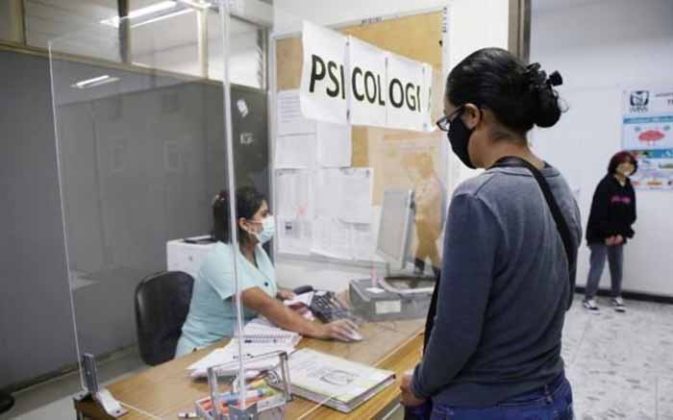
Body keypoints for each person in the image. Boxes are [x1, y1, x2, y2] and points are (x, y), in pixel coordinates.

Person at [399, 48, 582, 419]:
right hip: (552, 394)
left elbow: (456, 332)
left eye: (449, 120)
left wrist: (418, 385)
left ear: (472, 115)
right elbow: (561, 297)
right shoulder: (558, 184)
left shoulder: (478, 197)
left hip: (486, 406)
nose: (450, 133)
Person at [175, 187, 359, 357]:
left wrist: (277, 291)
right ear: (245, 224)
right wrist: (320, 330)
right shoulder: (220, 259)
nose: (270, 219)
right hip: (205, 350)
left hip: (239, 343)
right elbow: (265, 305)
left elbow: (259, 282)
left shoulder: (256, 249)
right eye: (264, 214)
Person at [583, 151, 637, 313]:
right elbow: (599, 213)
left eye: (630, 164)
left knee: (617, 267)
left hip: (619, 235)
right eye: (623, 163)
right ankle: (589, 298)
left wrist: (621, 234)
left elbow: (630, 214)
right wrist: (607, 235)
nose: (627, 166)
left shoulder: (628, 186)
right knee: (597, 266)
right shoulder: (605, 184)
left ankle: (616, 296)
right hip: (599, 234)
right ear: (615, 166)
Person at [412, 153, 445, 277]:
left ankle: (420, 269)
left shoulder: (433, 183)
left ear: (429, 166)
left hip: (429, 223)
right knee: (429, 248)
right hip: (421, 221)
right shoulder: (422, 181)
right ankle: (438, 274)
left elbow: (424, 203)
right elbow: (416, 198)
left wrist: (416, 201)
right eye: (419, 165)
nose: (420, 168)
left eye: (423, 165)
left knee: (427, 247)